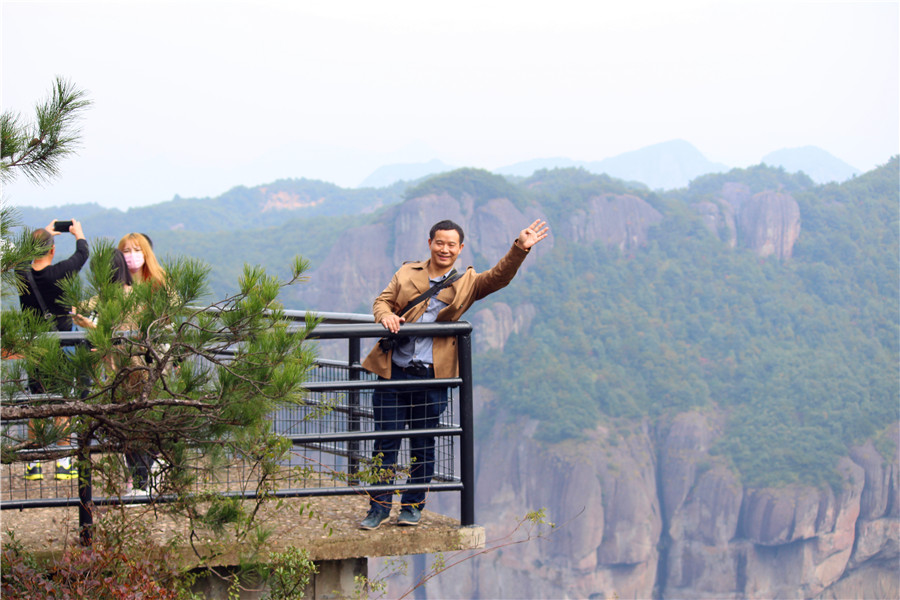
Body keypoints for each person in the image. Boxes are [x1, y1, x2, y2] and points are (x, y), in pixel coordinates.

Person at [358, 218, 549, 529]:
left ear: (460, 248)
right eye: (439, 242)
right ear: (430, 243)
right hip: (393, 372)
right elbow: (382, 301)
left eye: (451, 244)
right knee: (385, 443)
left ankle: (412, 507)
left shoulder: (467, 281)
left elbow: (498, 277)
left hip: (432, 376)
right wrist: (386, 315)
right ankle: (377, 509)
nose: (444, 249)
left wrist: (520, 248)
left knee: (423, 443)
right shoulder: (407, 272)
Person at [18, 219, 89, 481]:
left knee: (36, 404)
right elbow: (82, 254)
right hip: (62, 345)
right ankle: (63, 463)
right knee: (62, 404)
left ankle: (33, 463)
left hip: (36, 347)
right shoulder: (60, 272)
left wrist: (44, 234)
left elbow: (20, 258)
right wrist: (77, 232)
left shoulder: (22, 275)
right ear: (52, 250)